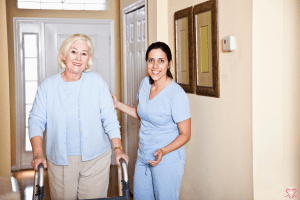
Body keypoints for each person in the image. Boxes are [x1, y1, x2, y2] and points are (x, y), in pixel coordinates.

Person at [28, 33, 129, 200]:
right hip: (60, 162)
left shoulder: (97, 82)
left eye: (84, 53)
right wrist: (38, 153)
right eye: (73, 51)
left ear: (88, 59)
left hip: (97, 159)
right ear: (63, 55)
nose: (78, 58)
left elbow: (110, 118)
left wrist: (118, 149)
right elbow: (36, 121)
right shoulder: (48, 86)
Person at [111, 41, 191, 200]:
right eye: (151, 60)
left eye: (161, 60)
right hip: (143, 156)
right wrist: (118, 105)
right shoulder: (145, 84)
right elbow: (144, 114)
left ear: (169, 63)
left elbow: (186, 134)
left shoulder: (176, 94)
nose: (155, 66)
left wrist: (164, 151)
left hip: (167, 160)